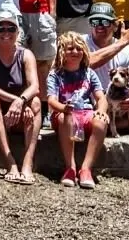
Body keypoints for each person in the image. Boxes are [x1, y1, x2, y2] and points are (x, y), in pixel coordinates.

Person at [0, 10, 42, 185]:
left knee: (35, 102)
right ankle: (10, 162)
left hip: (17, 117)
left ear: (18, 32)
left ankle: (27, 163)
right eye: (1, 29)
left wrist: (22, 101)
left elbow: (35, 86)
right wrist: (17, 101)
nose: (6, 33)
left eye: (11, 29)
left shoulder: (26, 55)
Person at [46, 32, 109, 189]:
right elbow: (52, 100)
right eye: (70, 49)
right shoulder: (55, 75)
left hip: (85, 113)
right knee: (65, 117)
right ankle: (70, 168)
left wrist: (101, 110)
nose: (75, 52)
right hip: (64, 114)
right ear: (62, 52)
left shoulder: (89, 73)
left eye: (79, 48)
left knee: (101, 121)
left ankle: (86, 169)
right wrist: (64, 108)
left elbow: (101, 98)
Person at [83, 2, 129, 132]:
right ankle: (115, 126)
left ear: (115, 25)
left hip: (118, 107)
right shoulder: (80, 42)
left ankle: (104, 127)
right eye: (95, 21)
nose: (100, 26)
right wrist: (122, 42)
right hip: (90, 106)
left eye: (105, 22)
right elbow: (89, 62)